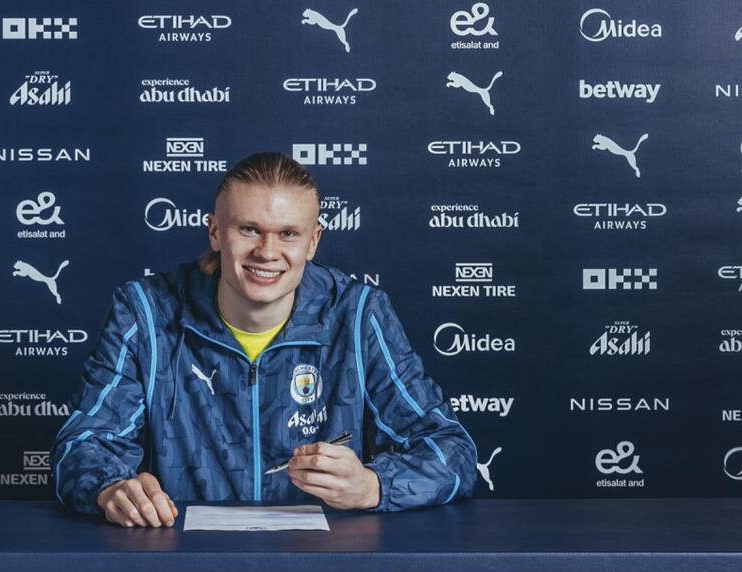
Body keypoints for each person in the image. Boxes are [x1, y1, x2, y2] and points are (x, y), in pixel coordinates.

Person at [51, 152, 477, 527]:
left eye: (288, 234)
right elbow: (83, 444)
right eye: (249, 230)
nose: (268, 252)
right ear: (215, 232)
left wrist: (373, 486)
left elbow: (451, 451)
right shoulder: (146, 312)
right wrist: (110, 487)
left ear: (313, 241)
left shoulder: (359, 315)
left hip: (325, 570)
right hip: (184, 565)